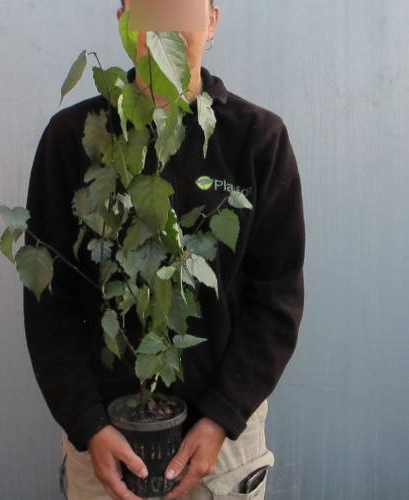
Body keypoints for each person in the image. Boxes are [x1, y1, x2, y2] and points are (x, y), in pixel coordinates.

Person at [22, 0, 306, 499]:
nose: (165, 26)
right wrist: (88, 424)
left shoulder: (257, 139)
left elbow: (276, 299)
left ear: (211, 20)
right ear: (124, 22)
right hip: (104, 447)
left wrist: (222, 416)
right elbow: (49, 300)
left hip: (223, 448)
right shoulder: (75, 138)